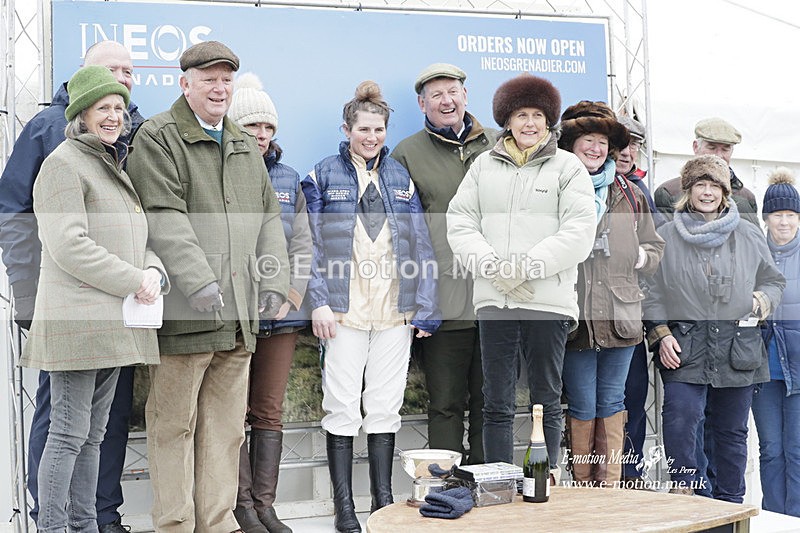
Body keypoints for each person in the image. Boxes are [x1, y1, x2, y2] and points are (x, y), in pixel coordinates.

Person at [127, 41, 290, 533]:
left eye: (226, 79)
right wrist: (197, 281)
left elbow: (270, 219)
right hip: (186, 315)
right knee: (174, 428)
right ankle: (174, 525)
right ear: (185, 84)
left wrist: (275, 281)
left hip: (239, 319)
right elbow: (162, 215)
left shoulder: (241, 141)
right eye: (208, 79)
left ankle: (217, 522)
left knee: (223, 433)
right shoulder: (158, 137)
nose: (219, 88)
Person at [0, 40, 144, 532]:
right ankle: (55, 527)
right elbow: (68, 245)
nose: (113, 116)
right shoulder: (63, 162)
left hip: (109, 322)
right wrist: (135, 279)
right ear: (80, 115)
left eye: (119, 108)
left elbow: (130, 237)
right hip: (76, 320)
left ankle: (84, 524)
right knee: (66, 434)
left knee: (92, 434)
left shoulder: (109, 163)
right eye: (103, 108)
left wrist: (152, 268)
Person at [302, 80, 440, 533]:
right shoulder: (322, 173)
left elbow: (421, 242)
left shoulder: (400, 176)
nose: (371, 136)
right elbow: (310, 246)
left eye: (378, 129)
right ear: (347, 129)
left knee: (385, 406)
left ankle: (382, 503)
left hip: (394, 312)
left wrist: (426, 306)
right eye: (363, 128)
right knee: (342, 405)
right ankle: (345, 509)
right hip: (344, 312)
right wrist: (318, 302)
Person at [447, 74, 596, 482]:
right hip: (495, 300)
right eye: (520, 115)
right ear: (507, 121)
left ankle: (540, 481)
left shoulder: (568, 167)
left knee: (546, 399)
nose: (529, 123)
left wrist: (526, 267)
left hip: (546, 301)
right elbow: (460, 222)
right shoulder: (483, 166)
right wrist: (495, 268)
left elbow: (579, 231)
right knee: (494, 400)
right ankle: (498, 481)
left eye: (537, 115)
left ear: (548, 121)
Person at [644, 154, 784, 501]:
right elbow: (651, 292)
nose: (706, 192)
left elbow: (773, 281)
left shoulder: (749, 234)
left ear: (725, 193)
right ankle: (687, 494)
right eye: (699, 185)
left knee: (732, 432)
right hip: (685, 347)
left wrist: (760, 301)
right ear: (687, 191)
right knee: (680, 421)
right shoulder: (667, 236)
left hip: (738, 348)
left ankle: (731, 504)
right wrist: (661, 334)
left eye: (713, 186)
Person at [391, 63, 498, 464]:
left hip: (495, 298)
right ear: (422, 104)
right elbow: (403, 233)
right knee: (446, 404)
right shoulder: (407, 153)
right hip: (443, 302)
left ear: (466, 96)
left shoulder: (499, 144)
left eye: (452, 91)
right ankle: (448, 490)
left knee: (492, 403)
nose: (446, 100)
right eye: (436, 95)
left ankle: (491, 483)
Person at [558, 101, 664, 486]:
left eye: (602, 141)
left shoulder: (631, 192)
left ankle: (611, 492)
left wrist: (640, 255)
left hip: (621, 315)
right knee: (583, 405)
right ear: (571, 144)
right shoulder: (558, 187)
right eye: (588, 140)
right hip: (576, 317)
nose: (596, 149)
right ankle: (586, 493)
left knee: (614, 404)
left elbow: (656, 247)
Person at [227, 73, 312, 533]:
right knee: (233, 412)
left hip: (281, 315)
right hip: (238, 315)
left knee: (269, 410)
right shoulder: (224, 168)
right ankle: (240, 506)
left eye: (269, 128)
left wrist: (291, 294)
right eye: (253, 127)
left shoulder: (289, 178)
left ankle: (265, 505)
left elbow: (302, 245)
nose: (262, 136)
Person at [614, 114, 662, 486]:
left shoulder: (642, 193)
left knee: (634, 401)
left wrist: (657, 325)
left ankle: (632, 480)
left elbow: (656, 261)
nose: (628, 152)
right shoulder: (585, 185)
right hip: (592, 320)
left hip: (634, 317)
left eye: (635, 145)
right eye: (622, 143)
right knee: (597, 406)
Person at [752, 167, 800, 517]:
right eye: (777, 215)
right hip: (761, 365)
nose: (784, 222)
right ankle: (773, 517)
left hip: (798, 364)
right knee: (769, 447)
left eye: (791, 215)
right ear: (765, 217)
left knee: (797, 448)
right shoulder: (755, 253)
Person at [654, 117, 759, 226]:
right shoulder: (669, 193)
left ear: (732, 151)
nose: (718, 155)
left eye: (725, 149)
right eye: (712, 147)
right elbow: (665, 239)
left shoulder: (746, 197)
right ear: (695, 147)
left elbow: (754, 240)